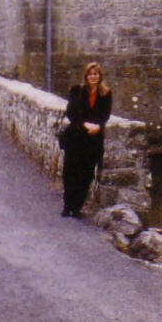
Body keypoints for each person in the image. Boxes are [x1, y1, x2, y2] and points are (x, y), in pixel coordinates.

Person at [60, 62, 111, 217]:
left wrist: (99, 126)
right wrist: (84, 124)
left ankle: (77, 207)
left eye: (96, 74)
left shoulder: (106, 93)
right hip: (76, 136)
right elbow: (71, 113)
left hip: (93, 139)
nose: (93, 77)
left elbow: (105, 114)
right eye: (90, 74)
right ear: (86, 76)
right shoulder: (77, 91)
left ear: (100, 76)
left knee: (86, 173)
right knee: (70, 171)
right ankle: (67, 205)